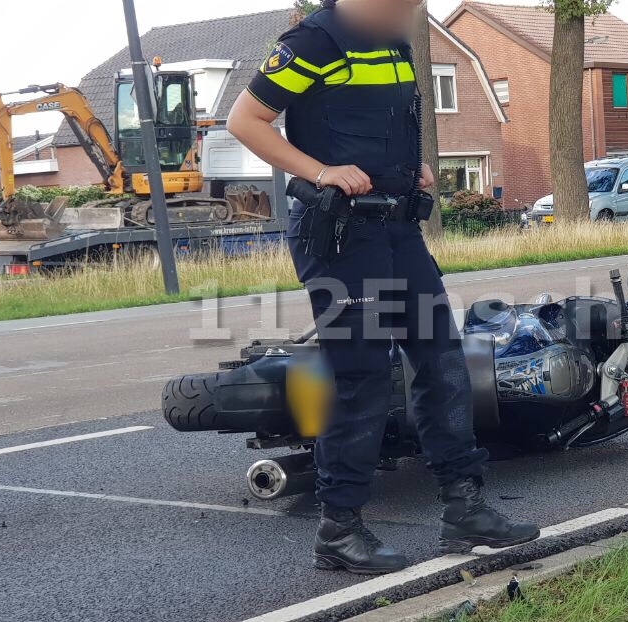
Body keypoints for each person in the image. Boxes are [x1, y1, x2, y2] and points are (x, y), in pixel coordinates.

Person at [227, 0, 539, 575]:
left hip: (397, 227)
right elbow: (244, 122)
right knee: (362, 376)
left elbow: (392, 122)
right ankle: (339, 530)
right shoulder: (314, 41)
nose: (411, 10)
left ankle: (463, 508)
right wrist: (319, 172)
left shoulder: (394, 44)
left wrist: (414, 168)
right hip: (340, 237)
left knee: (443, 360)